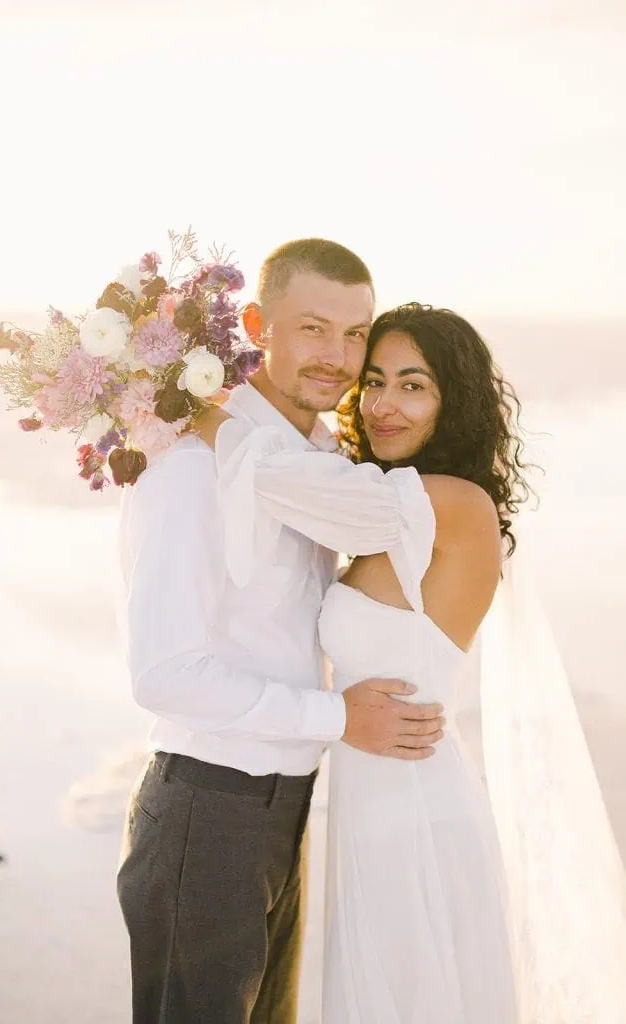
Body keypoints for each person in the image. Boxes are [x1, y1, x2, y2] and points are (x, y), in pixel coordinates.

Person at [116, 245, 446, 1024]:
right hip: (206, 810)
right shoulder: (191, 470)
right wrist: (338, 718)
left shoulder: (318, 461)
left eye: (355, 334)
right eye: (313, 329)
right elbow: (163, 672)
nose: (337, 358)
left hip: (279, 811)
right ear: (259, 325)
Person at [195, 302, 529, 1021]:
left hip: (415, 809)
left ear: (455, 401)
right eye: (373, 381)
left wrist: (189, 408)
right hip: (372, 803)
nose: (381, 405)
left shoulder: (450, 504)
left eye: (414, 385)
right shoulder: (395, 510)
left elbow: (279, 481)